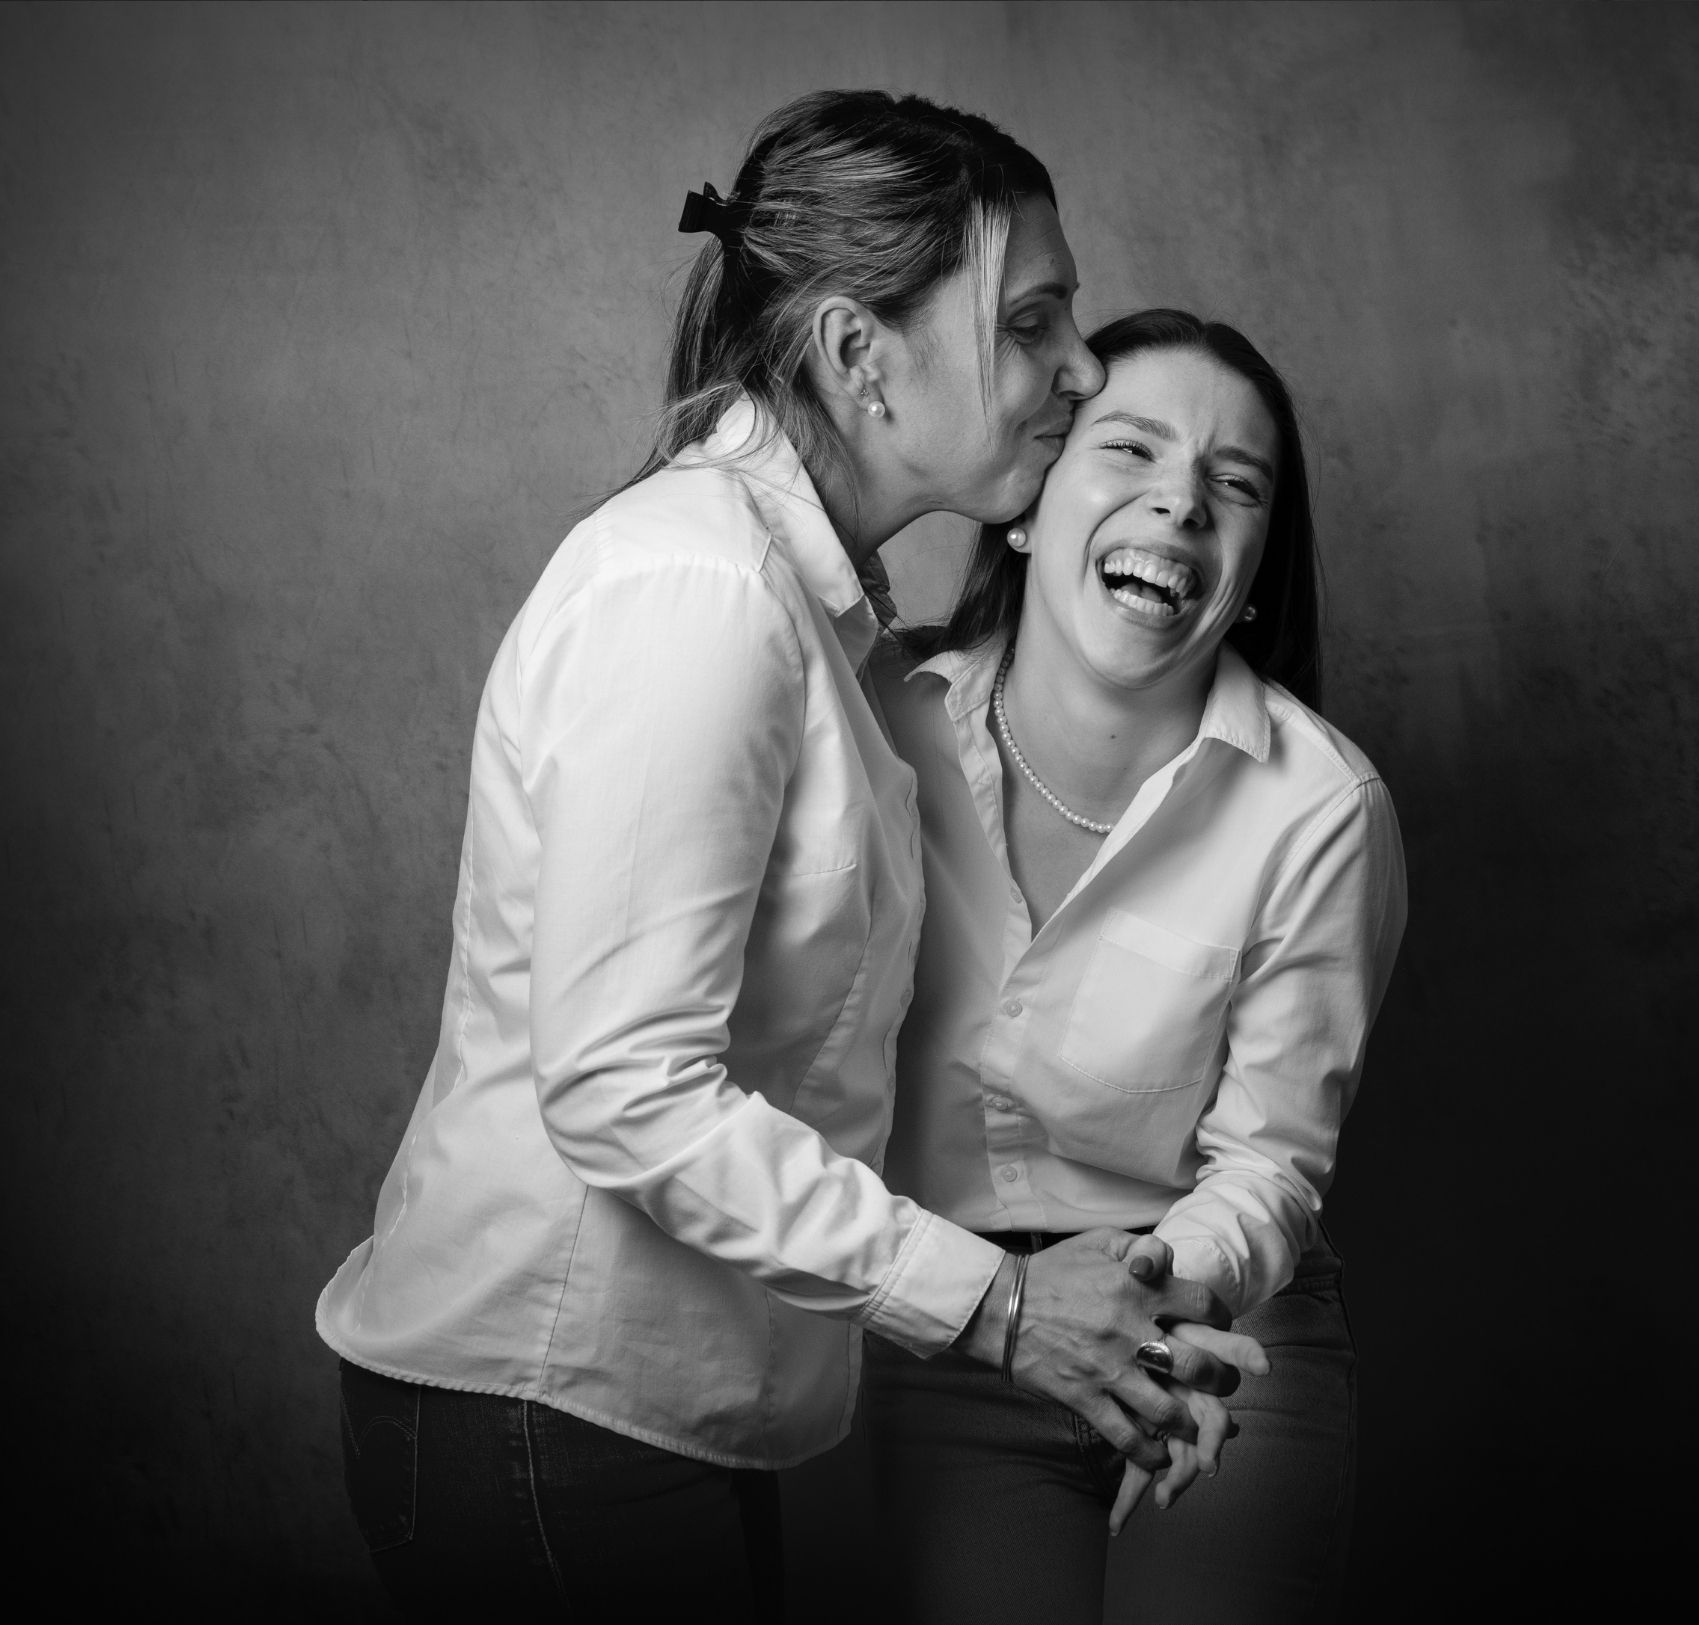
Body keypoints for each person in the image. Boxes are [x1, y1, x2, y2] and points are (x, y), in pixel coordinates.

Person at [314, 96, 1255, 1615]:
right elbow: (622, 1081)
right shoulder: (700, 590)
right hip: (547, 1431)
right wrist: (1001, 1302)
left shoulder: (805, 609)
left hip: (633, 1436)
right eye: (1031, 321)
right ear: (853, 356)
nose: (1081, 368)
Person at [872, 309, 1409, 1624]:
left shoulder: (1321, 803)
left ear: (1252, 573)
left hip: (1226, 1328)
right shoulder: (879, 732)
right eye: (1129, 451)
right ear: (1023, 506)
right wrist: (996, 1310)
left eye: (1235, 488)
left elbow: (1270, 1162)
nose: (1179, 505)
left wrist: (1144, 1312)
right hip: (957, 1335)